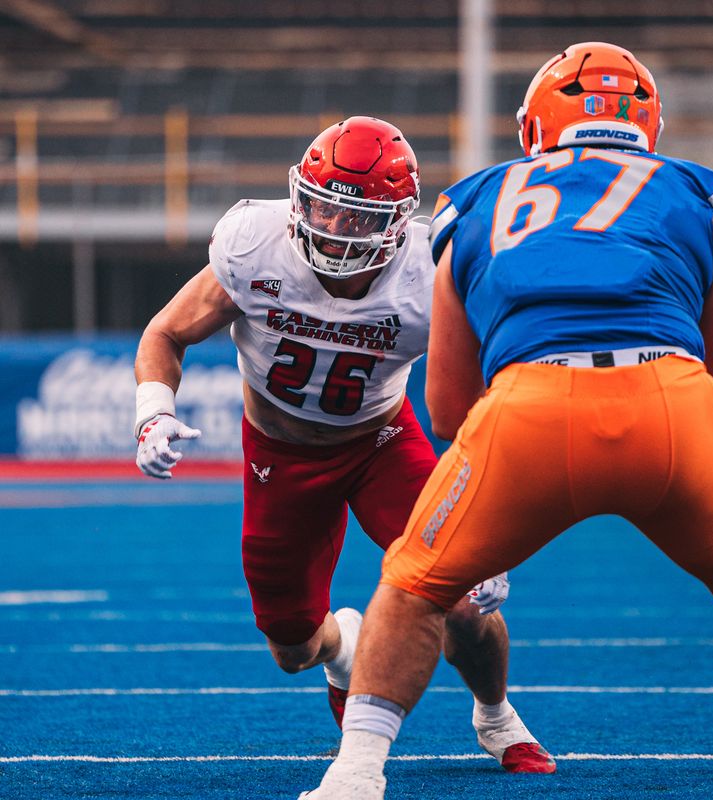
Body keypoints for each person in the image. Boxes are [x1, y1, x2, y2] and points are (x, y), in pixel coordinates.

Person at [300, 43, 713, 800]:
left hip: (531, 407)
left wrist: (491, 478)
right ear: (647, 123)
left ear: (537, 125)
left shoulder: (474, 201)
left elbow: (446, 404)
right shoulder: (701, 192)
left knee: (411, 587)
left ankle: (354, 776)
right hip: (671, 405)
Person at [132, 116, 554, 773]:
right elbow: (166, 333)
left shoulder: (429, 272)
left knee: (467, 598)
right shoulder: (255, 242)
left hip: (381, 443)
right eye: (323, 206)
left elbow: (489, 394)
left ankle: (496, 715)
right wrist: (153, 412)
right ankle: (342, 649)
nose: (332, 226)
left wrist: (488, 524)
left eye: (355, 216)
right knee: (292, 647)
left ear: (396, 222)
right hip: (279, 454)